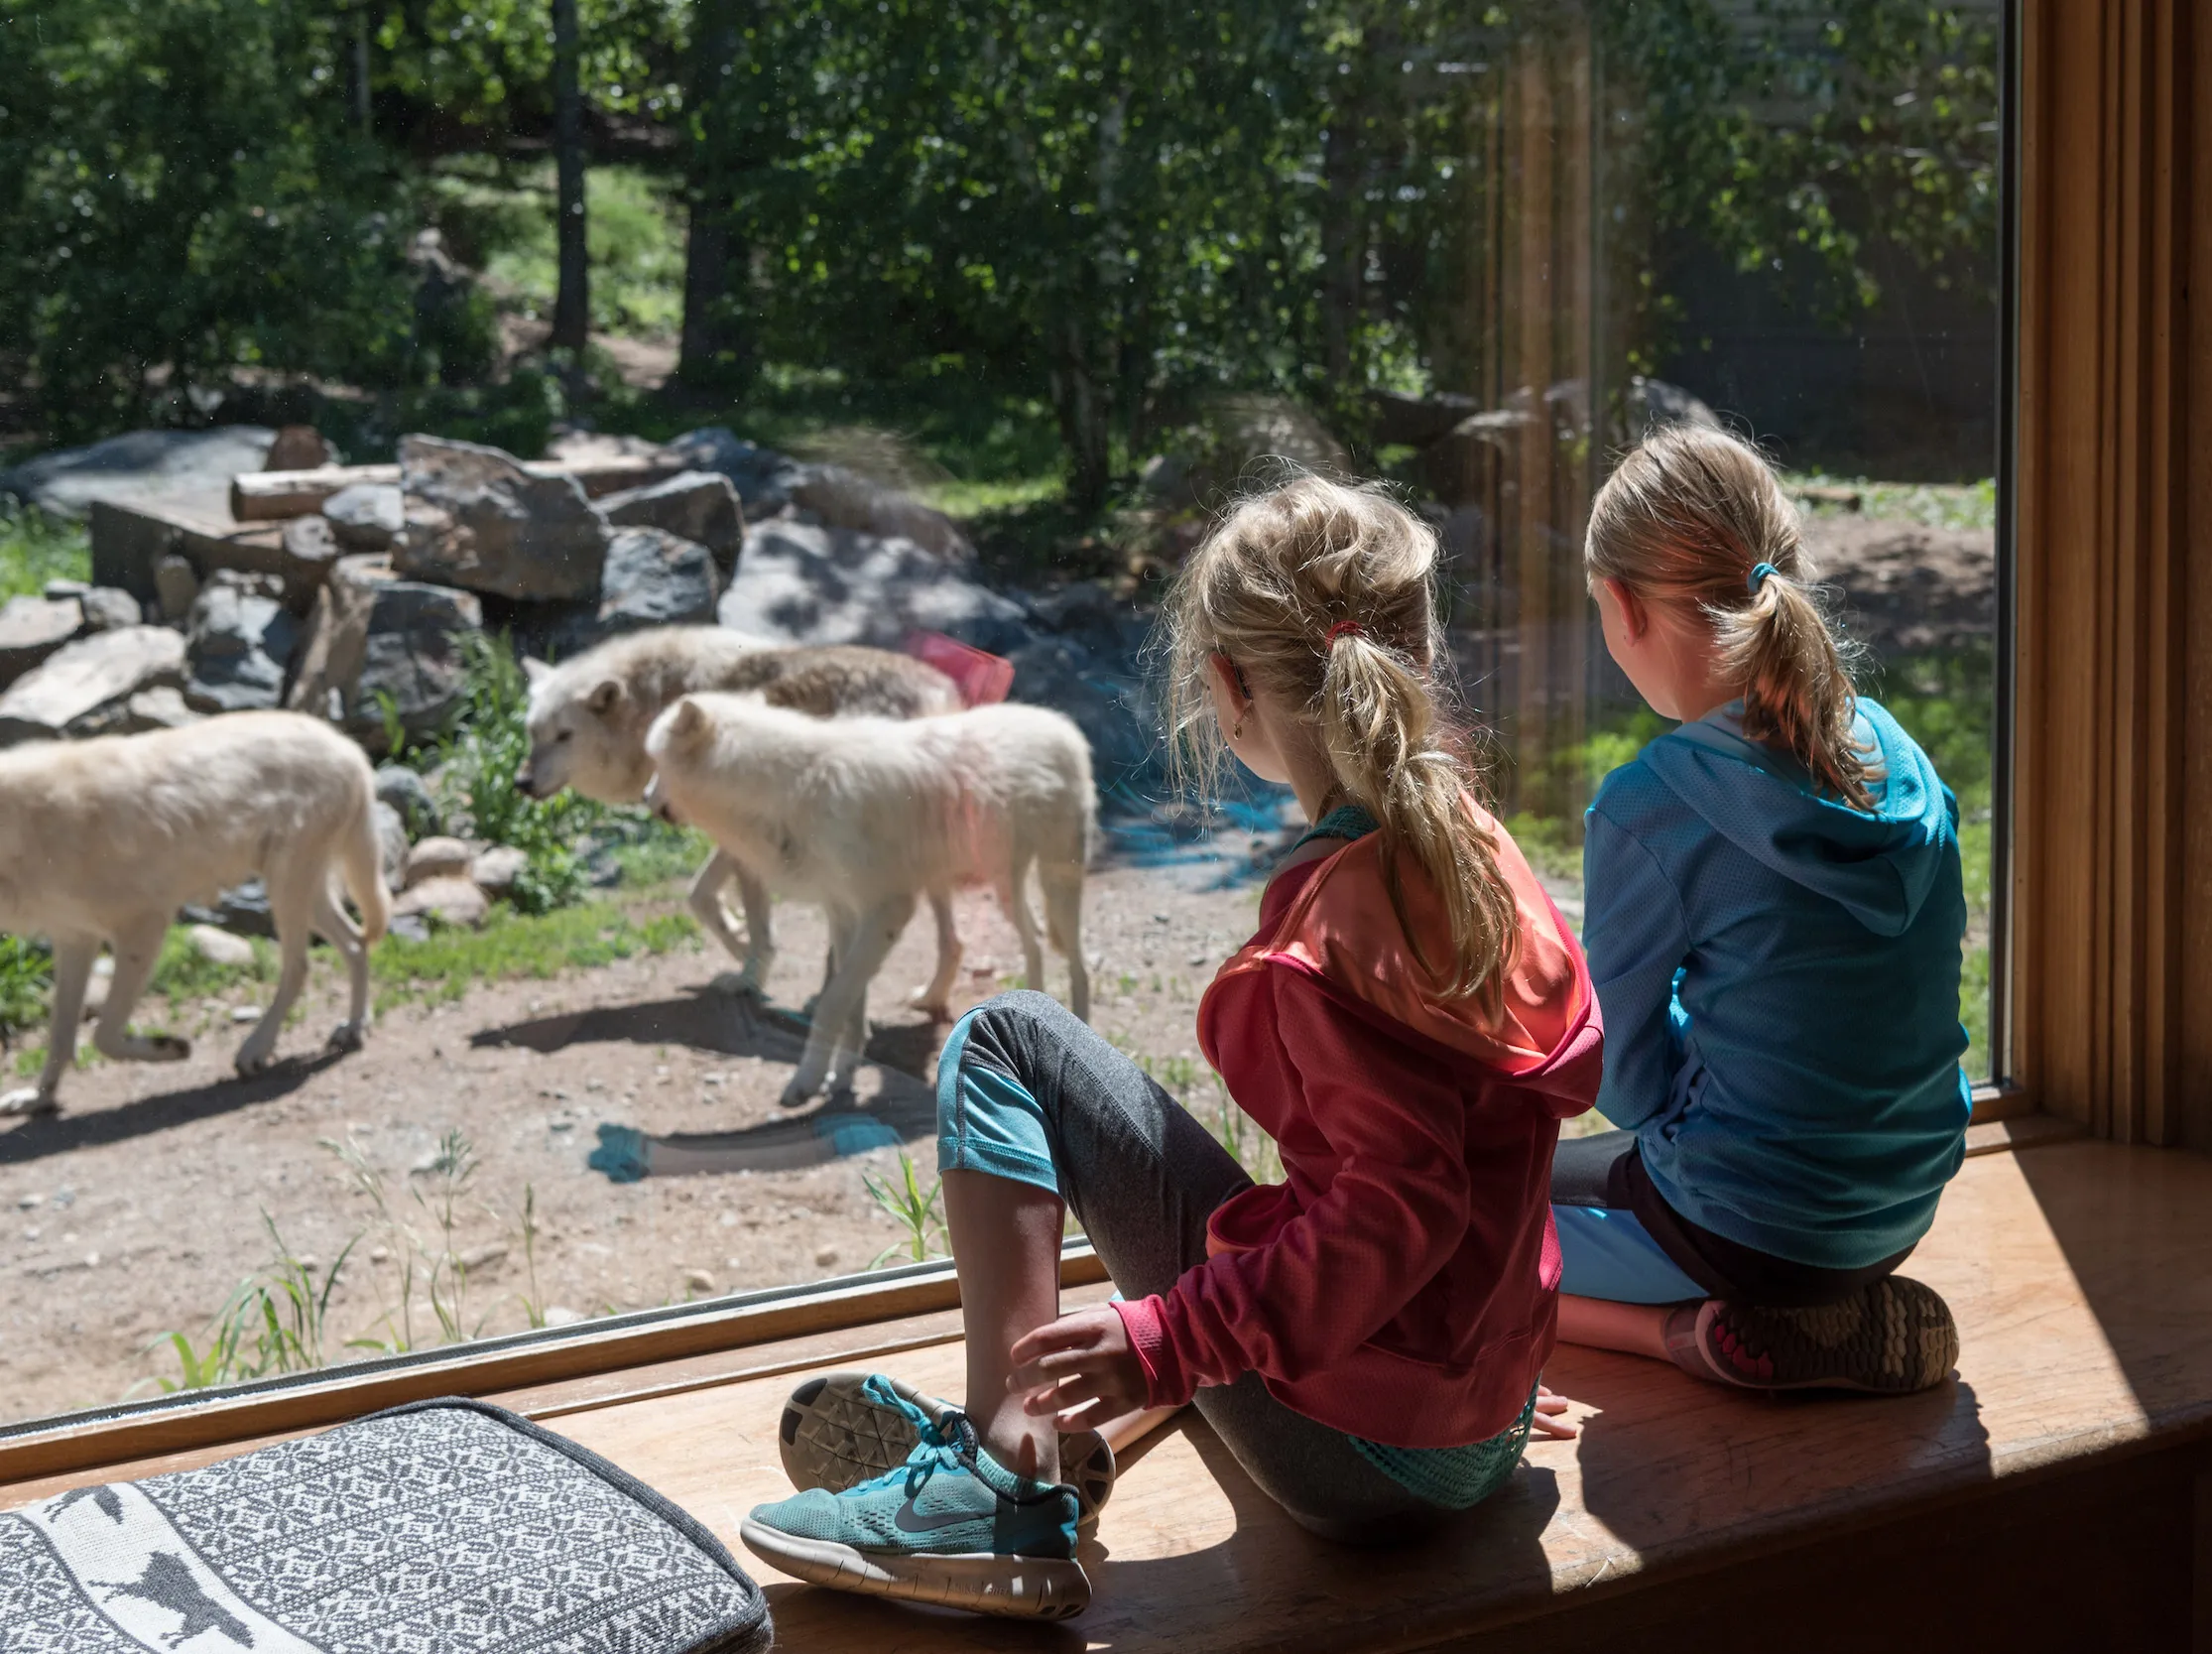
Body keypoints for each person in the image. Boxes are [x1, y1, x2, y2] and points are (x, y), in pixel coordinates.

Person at [738, 476, 1603, 1619]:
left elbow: (1401, 1212)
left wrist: (1169, 1335)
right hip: (1469, 1410)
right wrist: (1474, 1362)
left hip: (1368, 1463)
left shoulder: (1340, 917)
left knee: (1006, 1037)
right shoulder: (1476, 851)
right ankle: (1070, 1419)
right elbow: (1477, 1165)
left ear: (1229, 688)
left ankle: (1002, 1474)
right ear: (1420, 650)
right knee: (1232, 1270)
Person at [1550, 423, 1969, 1395]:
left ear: (1621, 606)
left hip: (1741, 1228)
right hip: (1901, 1204)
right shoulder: (1899, 757)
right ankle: (1827, 1309)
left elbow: (1627, 1083)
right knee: (1561, 1173)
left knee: (1453, 1232)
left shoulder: (1653, 805)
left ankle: (1687, 1331)